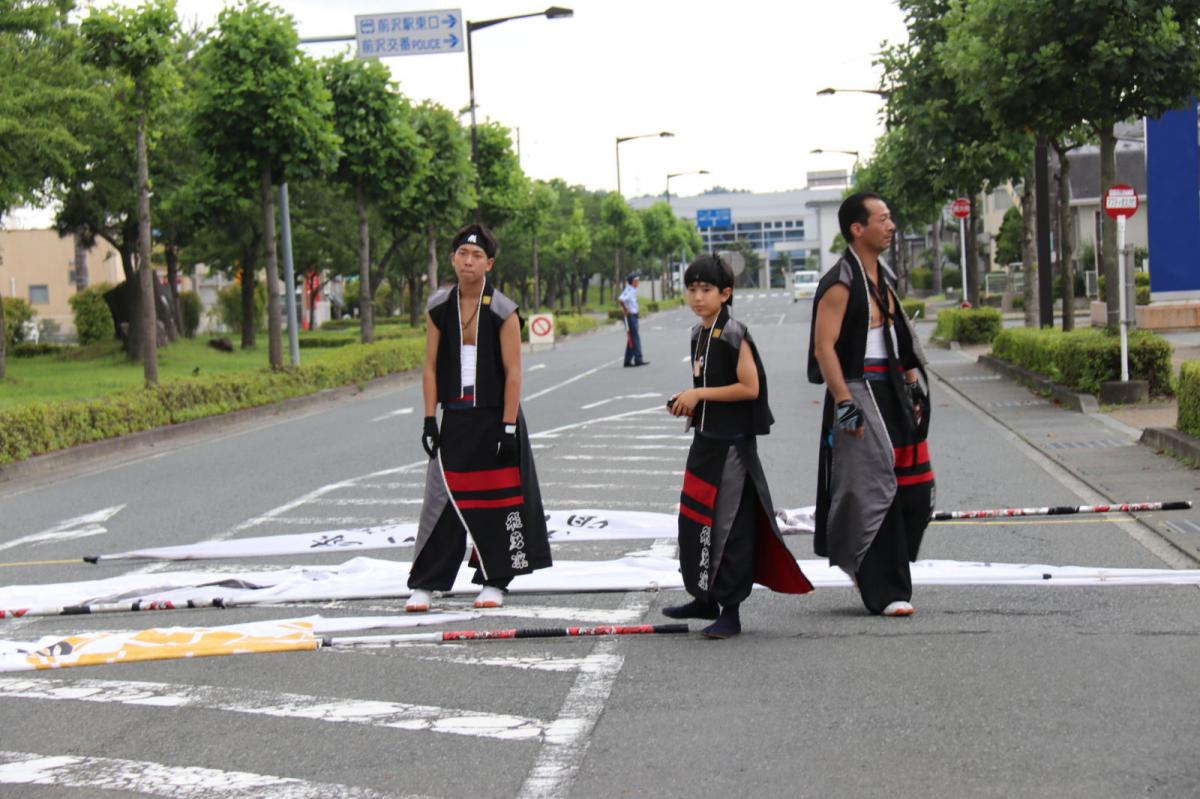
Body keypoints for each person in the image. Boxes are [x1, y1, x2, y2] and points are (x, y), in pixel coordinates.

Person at [663, 254, 813, 638]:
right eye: (692, 289)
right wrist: (688, 401)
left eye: (706, 290)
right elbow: (709, 391)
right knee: (695, 521)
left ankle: (731, 610)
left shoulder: (734, 333)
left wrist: (698, 394)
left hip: (732, 448)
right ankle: (703, 597)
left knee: (729, 528)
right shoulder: (698, 334)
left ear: (725, 293)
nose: (697, 297)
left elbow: (750, 388)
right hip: (705, 442)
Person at [406, 223, 551, 612]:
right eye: (462, 255)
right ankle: (425, 582)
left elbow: (514, 371)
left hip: (494, 419)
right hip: (454, 417)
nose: (468, 262)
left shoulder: (503, 310)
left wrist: (507, 426)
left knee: (499, 501)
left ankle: (495, 581)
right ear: (453, 259)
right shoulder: (439, 307)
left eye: (476, 256)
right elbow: (431, 366)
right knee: (442, 500)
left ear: (489, 263)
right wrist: (427, 419)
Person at [807, 192, 935, 617]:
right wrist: (844, 403)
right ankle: (886, 590)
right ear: (857, 229)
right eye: (882, 219)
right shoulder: (840, 282)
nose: (891, 225)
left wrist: (913, 382)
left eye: (890, 218)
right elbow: (824, 348)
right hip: (858, 390)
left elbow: (896, 333)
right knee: (876, 490)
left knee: (916, 489)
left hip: (893, 391)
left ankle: (863, 560)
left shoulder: (883, 275)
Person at [617, 273, 649, 367]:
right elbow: (621, 300)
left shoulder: (632, 290)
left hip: (633, 315)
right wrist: (625, 309)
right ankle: (638, 359)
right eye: (636, 281)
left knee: (631, 338)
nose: (638, 282)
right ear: (632, 281)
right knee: (635, 337)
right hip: (630, 316)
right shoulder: (629, 290)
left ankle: (627, 361)